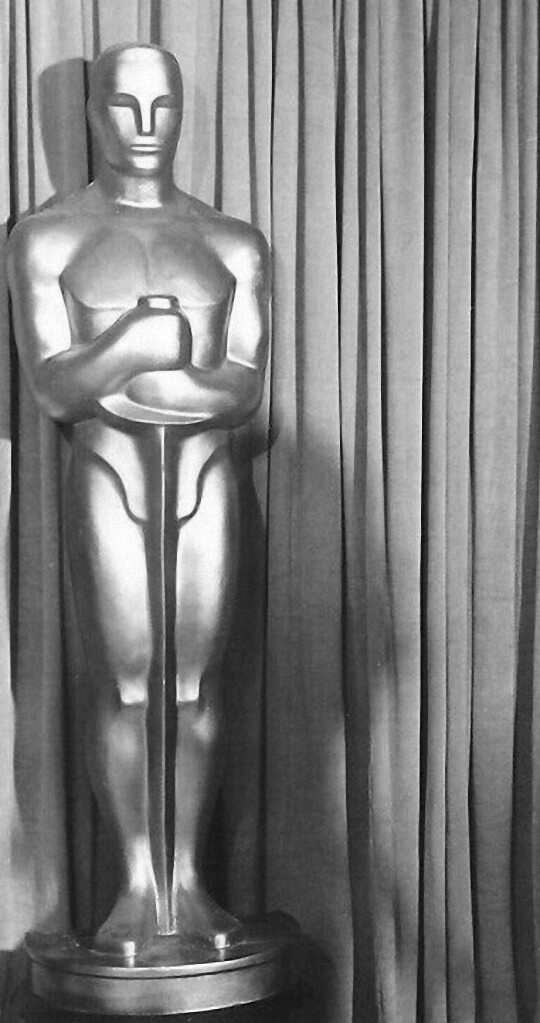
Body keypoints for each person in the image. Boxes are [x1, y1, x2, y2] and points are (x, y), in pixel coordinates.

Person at [7, 43, 269, 957]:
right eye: (125, 106)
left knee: (194, 685)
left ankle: (187, 881)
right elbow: (53, 387)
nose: (147, 127)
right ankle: (134, 885)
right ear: (93, 113)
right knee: (124, 683)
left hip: (207, 479)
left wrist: (122, 374)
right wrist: (138, 344)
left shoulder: (232, 242)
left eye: (163, 107)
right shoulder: (48, 238)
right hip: (108, 474)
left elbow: (244, 390)